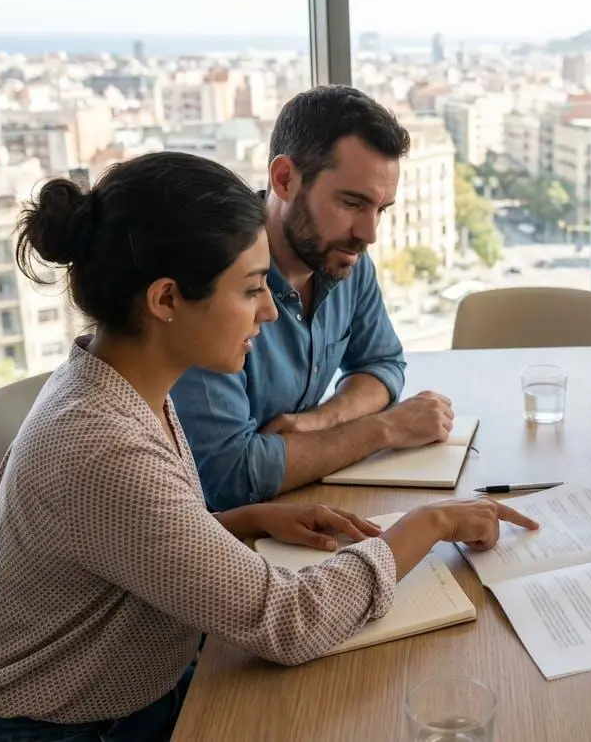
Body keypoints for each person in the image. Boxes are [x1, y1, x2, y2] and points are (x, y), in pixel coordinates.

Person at [0, 152, 537, 742]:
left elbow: (129, 541)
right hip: (54, 729)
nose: (270, 309)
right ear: (167, 300)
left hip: (127, 695)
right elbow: (291, 622)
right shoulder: (103, 445)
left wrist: (244, 519)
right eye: (251, 289)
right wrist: (426, 525)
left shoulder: (123, 379)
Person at [172, 86, 451, 511]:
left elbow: (382, 364)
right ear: (284, 179)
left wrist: (322, 420)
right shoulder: (213, 278)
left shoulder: (344, 259)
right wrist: (385, 430)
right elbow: (229, 478)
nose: (368, 233)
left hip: (297, 510)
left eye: (381, 209)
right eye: (352, 202)